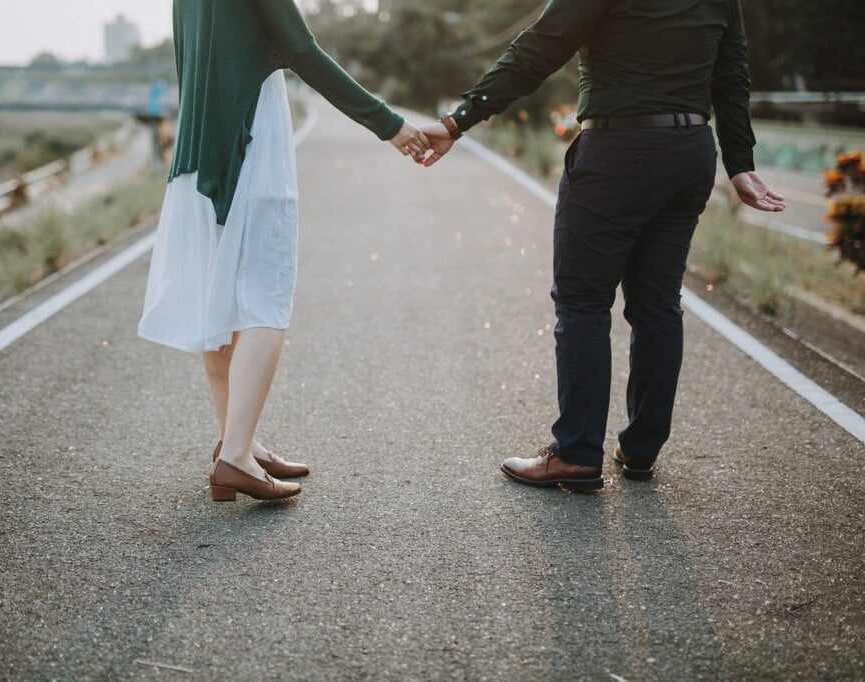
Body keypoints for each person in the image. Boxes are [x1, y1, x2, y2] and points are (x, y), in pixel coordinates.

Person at [420, 0, 785, 491]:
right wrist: (739, 162)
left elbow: (537, 51)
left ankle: (575, 453)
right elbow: (731, 74)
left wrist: (456, 121)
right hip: (689, 152)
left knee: (583, 301)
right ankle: (640, 451)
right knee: (658, 303)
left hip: (616, 150)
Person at [138, 0, 430, 502]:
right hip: (251, 139)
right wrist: (389, 125)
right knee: (266, 298)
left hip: (197, 145)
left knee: (219, 301)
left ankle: (240, 441)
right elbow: (304, 52)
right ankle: (235, 458)